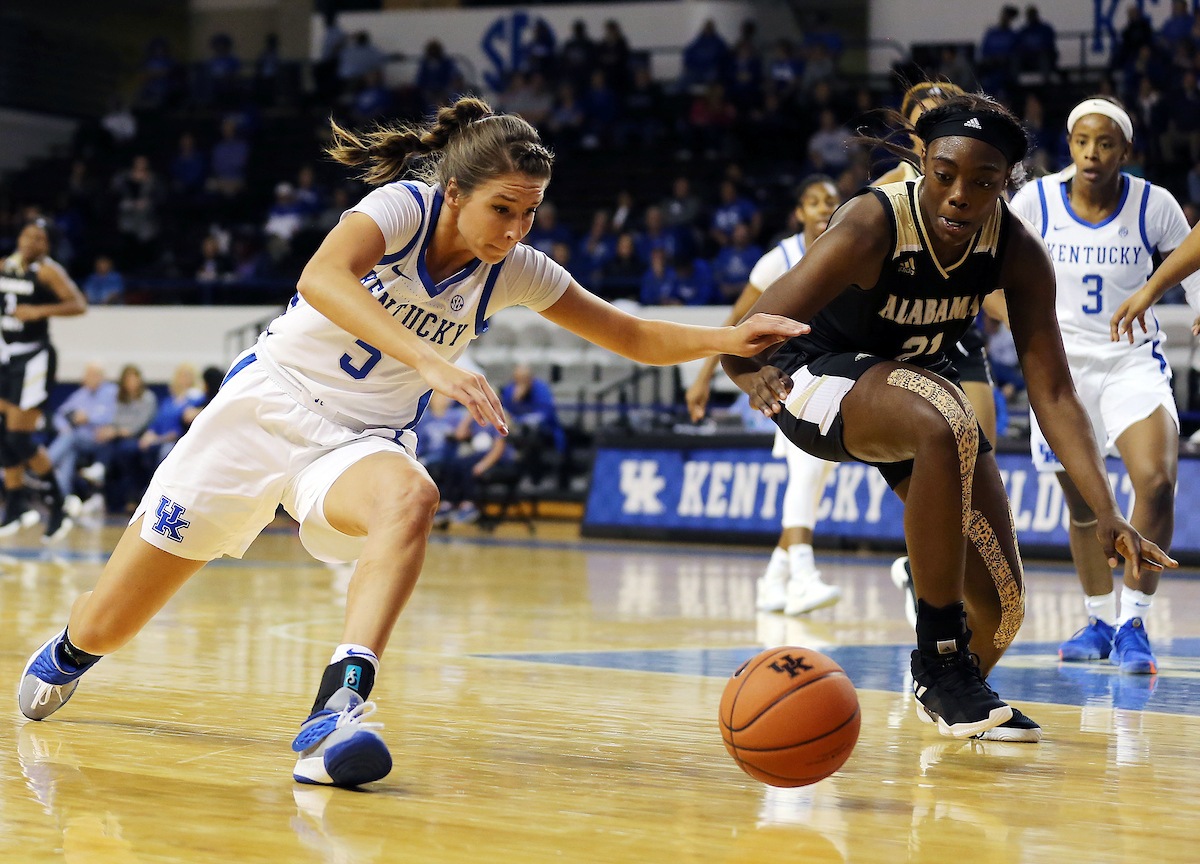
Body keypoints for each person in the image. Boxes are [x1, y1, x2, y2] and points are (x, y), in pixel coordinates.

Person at [16, 96, 802, 789]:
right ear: (454, 193)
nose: (516, 229)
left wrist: (727, 336)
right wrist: (431, 360)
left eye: (530, 213)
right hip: (262, 411)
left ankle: (337, 709)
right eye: (502, 208)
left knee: (412, 495)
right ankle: (72, 650)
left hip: (356, 442)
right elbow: (322, 277)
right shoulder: (402, 208)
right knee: (112, 623)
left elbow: (627, 333)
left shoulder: (514, 269)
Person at [721, 93, 1174, 745]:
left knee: (1003, 607)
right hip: (808, 377)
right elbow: (747, 332)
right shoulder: (873, 223)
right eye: (944, 175)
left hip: (913, 398)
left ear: (1006, 185)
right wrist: (749, 375)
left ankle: (953, 695)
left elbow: (1053, 390)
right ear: (923, 166)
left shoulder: (1017, 251)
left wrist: (1107, 510)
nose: (960, 195)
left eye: (983, 182)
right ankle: (937, 661)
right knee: (944, 409)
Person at [1011, 97, 1199, 675]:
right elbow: (993, 271)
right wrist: (1014, 318)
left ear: (1126, 150)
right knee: (1086, 507)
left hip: (1130, 359)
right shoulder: (1035, 201)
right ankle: (1098, 619)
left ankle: (1133, 622)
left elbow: (1191, 261)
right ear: (1069, 145)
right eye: (1082, 142)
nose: (1093, 153)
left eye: (1106, 143)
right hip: (1059, 369)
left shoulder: (1153, 203)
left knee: (1157, 482)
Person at [875, 82, 1007, 628]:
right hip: (896, 336)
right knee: (935, 462)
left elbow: (991, 284)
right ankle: (925, 570)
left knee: (978, 453)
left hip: (956, 335)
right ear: (911, 133)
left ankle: (937, 572)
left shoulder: (977, 195)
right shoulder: (886, 192)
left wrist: (1023, 312)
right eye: (920, 120)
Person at [688, 174, 844, 616]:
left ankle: (773, 580)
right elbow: (735, 323)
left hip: (835, 376)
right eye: (813, 200)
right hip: (790, 378)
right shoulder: (781, 258)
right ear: (799, 212)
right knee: (807, 474)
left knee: (813, 482)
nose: (823, 207)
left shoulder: (847, 249)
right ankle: (803, 576)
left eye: (830, 200)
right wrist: (704, 378)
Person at [0, 221, 87, 541]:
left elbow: (78, 305)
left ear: (47, 245)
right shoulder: (6, 266)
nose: (31, 241)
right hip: (6, 357)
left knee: (19, 438)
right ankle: (16, 505)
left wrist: (39, 311)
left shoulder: (49, 271)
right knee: (3, 434)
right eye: (26, 235)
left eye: (39, 238)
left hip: (34, 358)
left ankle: (60, 504)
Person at [48, 363, 117, 502]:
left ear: (102, 377)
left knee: (70, 438)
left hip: (101, 438)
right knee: (69, 449)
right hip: (79, 439)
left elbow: (115, 416)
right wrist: (64, 427)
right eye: (88, 376)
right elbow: (59, 415)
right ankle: (63, 496)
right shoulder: (80, 394)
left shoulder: (112, 392)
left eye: (94, 375)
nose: (90, 379)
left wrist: (89, 418)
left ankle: (43, 464)